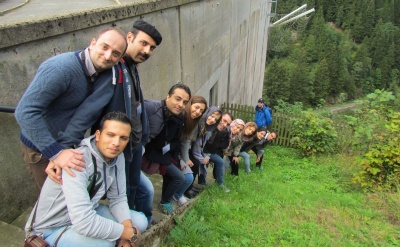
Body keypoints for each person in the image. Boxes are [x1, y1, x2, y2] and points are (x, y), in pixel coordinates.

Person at [53, 20, 162, 226]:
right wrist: (64, 148)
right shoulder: (115, 70)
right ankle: (126, 231)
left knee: (134, 190)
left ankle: (133, 225)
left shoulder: (131, 67)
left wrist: (143, 138)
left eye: (152, 48)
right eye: (144, 43)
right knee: (125, 193)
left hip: (133, 145)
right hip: (119, 147)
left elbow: (137, 105)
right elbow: (88, 111)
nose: (147, 51)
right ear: (130, 38)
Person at [15, 27, 128, 190]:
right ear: (92, 43)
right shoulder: (61, 68)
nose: (108, 55)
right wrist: (56, 153)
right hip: (41, 149)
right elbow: (25, 112)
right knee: (53, 205)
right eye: (105, 47)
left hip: (65, 146)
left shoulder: (102, 73)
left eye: (115, 53)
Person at [24, 112, 147, 247]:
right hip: (53, 227)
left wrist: (128, 232)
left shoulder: (118, 157)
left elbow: (118, 198)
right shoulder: (77, 159)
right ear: (98, 135)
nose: (116, 143)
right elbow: (84, 222)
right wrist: (130, 234)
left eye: (123, 138)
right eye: (110, 135)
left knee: (140, 222)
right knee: (105, 244)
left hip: (89, 210)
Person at [143, 84, 191, 215]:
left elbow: (175, 142)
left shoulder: (177, 118)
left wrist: (177, 160)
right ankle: (160, 204)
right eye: (177, 99)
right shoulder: (152, 109)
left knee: (182, 177)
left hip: (163, 155)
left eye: (184, 102)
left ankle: (165, 201)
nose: (180, 104)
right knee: (147, 188)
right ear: (168, 97)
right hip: (147, 155)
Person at [174, 96, 208, 206]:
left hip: (182, 151)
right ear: (190, 104)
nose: (198, 112)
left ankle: (180, 193)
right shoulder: (182, 117)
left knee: (192, 170)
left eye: (201, 110)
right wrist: (186, 158)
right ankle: (177, 194)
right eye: (196, 107)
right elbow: (185, 141)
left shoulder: (195, 122)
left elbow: (191, 141)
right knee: (188, 175)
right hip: (173, 152)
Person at [182, 106, 221, 198]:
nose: (212, 120)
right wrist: (199, 158)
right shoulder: (199, 123)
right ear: (207, 113)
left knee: (197, 163)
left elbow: (201, 145)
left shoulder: (208, 128)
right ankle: (187, 189)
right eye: (211, 116)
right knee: (195, 163)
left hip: (192, 148)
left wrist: (203, 157)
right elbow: (190, 143)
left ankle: (190, 187)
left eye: (215, 119)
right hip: (184, 148)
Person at [191, 112, 233, 194]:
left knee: (220, 161)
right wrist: (204, 156)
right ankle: (190, 186)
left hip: (208, 152)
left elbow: (219, 146)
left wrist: (208, 155)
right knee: (197, 163)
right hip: (197, 150)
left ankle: (220, 183)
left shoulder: (223, 132)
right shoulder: (208, 127)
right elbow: (199, 144)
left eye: (227, 124)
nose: (224, 125)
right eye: (224, 120)